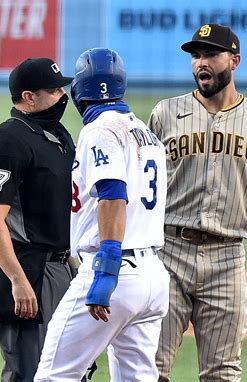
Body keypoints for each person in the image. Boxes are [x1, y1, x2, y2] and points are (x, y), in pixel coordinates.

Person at [147, 23, 247, 381]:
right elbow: (142, 186)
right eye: (196, 56)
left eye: (211, 54)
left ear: (235, 60)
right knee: (149, 368)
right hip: (167, 252)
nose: (202, 63)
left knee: (222, 373)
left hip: (228, 258)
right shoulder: (165, 113)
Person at [34, 47, 170, 382]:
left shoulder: (99, 130)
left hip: (115, 270)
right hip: (153, 275)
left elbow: (113, 195)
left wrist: (106, 270)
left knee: (54, 376)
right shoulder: (145, 132)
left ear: (79, 91)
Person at [0, 57, 76, 382]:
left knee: (67, 371)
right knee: (29, 373)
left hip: (62, 269)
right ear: (28, 97)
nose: (62, 95)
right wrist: (18, 281)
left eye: (62, 87)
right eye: (53, 90)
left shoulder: (57, 133)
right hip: (28, 272)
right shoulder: (8, 141)